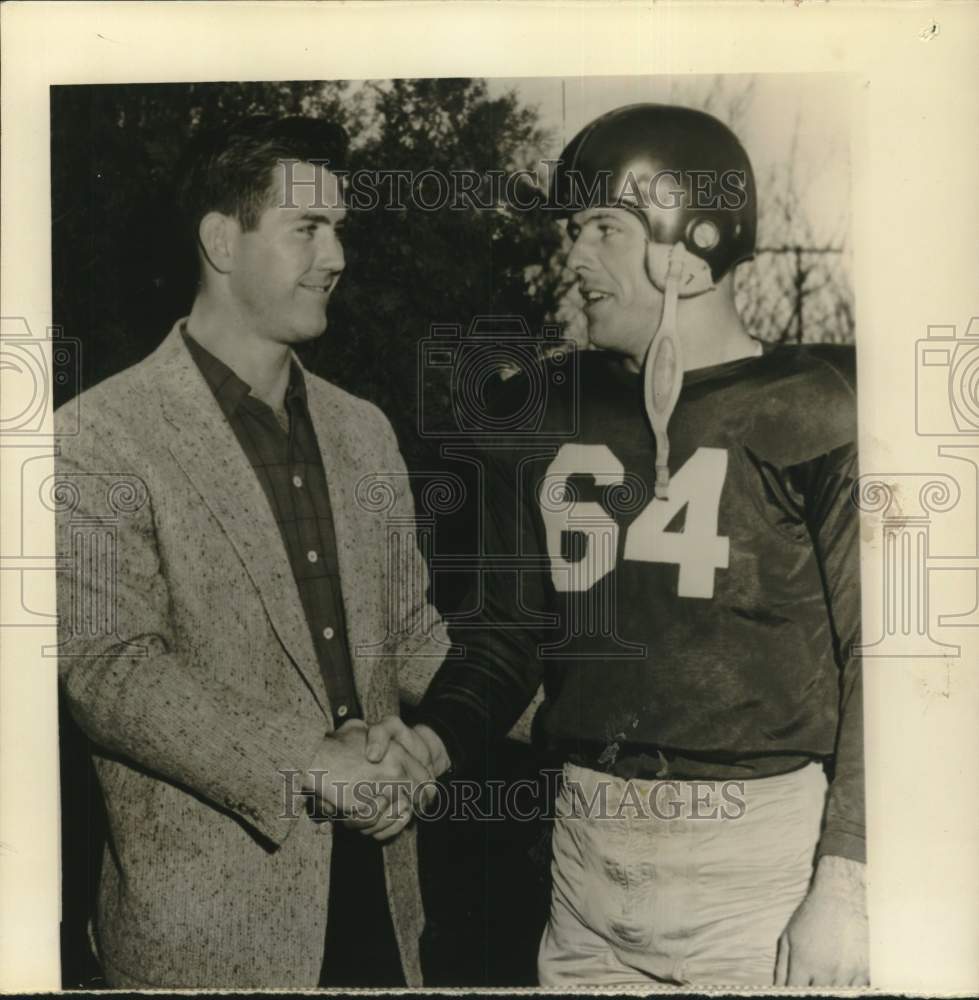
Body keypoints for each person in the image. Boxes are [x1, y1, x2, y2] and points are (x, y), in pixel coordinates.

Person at [369, 103, 868, 987]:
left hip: (756, 866)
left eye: (603, 227)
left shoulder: (813, 409)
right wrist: (434, 741)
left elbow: (884, 661)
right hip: (583, 852)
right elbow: (507, 636)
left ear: (690, 240)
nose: (577, 256)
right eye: (573, 228)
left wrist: (847, 879)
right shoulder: (543, 408)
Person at [54, 115, 447, 989]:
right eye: (308, 228)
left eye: (340, 228)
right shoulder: (94, 439)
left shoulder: (364, 430)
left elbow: (413, 634)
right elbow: (109, 668)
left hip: (382, 904)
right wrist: (312, 762)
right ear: (219, 242)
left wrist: (569, 703)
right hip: (208, 937)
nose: (337, 256)